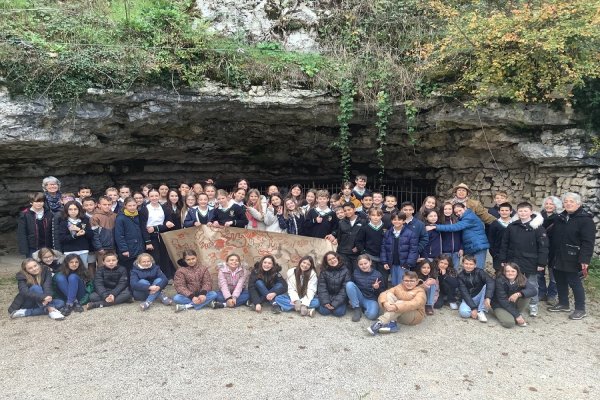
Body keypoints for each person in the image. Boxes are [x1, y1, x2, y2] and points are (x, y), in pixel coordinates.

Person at [547, 193, 595, 320]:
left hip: (574, 256)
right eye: (566, 201)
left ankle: (580, 308)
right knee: (560, 280)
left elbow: (588, 242)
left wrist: (585, 259)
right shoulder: (560, 217)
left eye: (571, 202)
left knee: (575, 282)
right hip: (557, 255)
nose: (568, 203)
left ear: (578, 204)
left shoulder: (585, 220)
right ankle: (563, 303)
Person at [499, 202, 548, 317]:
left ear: (531, 212)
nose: (523, 213)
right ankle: (512, 302)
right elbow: (505, 243)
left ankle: (533, 305)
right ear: (517, 212)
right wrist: (503, 259)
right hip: (514, 259)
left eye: (525, 211)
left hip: (531, 260)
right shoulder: (512, 226)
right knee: (513, 281)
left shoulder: (538, 227)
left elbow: (543, 246)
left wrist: (542, 262)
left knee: (532, 283)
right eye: (520, 211)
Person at [432, 203, 490, 269]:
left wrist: (435, 227)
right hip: (472, 247)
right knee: (470, 269)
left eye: (460, 210)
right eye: (456, 212)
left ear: (465, 208)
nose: (458, 213)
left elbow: (455, 227)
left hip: (478, 246)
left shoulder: (469, 217)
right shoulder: (463, 218)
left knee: (478, 269)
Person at [367, 271, 426, 335]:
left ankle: (380, 322)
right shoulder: (399, 287)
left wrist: (396, 306)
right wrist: (385, 303)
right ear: (402, 281)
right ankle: (392, 323)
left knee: (400, 303)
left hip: (414, 316)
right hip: (398, 313)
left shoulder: (420, 291)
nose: (409, 283)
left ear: (417, 282)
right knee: (388, 294)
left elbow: (415, 304)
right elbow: (384, 293)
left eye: (412, 281)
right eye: (406, 281)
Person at [139, 189, 175, 279]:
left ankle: (167, 277)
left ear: (159, 196)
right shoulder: (144, 210)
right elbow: (144, 227)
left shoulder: (165, 208)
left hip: (163, 235)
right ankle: (155, 277)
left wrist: (156, 228)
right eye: (152, 196)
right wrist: (147, 242)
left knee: (165, 256)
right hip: (151, 237)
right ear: (148, 197)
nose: (154, 198)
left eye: (156, 196)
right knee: (155, 258)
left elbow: (169, 224)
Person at [491, 263, 536, 328]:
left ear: (517, 272)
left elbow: (533, 290)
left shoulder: (522, 278)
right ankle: (505, 314)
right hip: (500, 305)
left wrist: (519, 294)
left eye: (513, 271)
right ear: (504, 272)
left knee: (526, 295)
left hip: (512, 303)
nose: (510, 273)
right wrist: (517, 316)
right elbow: (502, 300)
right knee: (509, 323)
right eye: (507, 271)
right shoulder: (499, 280)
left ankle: (517, 313)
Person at [380, 212, 419, 285]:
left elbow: (413, 250)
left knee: (403, 283)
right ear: (391, 221)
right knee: (394, 283)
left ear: (404, 221)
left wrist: (408, 263)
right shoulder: (387, 233)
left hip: (403, 264)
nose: (397, 221)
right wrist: (384, 261)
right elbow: (383, 248)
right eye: (394, 219)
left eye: (399, 219)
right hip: (392, 263)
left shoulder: (410, 234)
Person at [538, 195, 562, 304]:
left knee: (554, 275)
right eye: (547, 203)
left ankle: (552, 295)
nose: (548, 206)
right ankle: (541, 293)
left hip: (554, 250)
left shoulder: (560, 218)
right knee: (539, 272)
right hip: (541, 249)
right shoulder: (538, 217)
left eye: (551, 204)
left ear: (556, 206)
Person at [346, 254, 384, 322]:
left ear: (370, 262)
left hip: (371, 299)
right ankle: (357, 308)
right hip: (359, 297)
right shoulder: (356, 272)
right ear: (358, 265)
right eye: (361, 264)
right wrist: (350, 299)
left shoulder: (378, 274)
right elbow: (351, 288)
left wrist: (376, 288)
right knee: (349, 284)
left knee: (372, 316)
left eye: (365, 263)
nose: (363, 266)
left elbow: (382, 293)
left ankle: (363, 309)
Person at [114, 197, 149, 272]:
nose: (132, 207)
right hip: (128, 248)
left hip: (139, 246)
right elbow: (119, 235)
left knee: (139, 267)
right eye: (129, 206)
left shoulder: (138, 215)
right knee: (129, 269)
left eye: (134, 205)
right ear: (125, 206)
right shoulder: (121, 218)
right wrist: (124, 249)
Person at [457, 255, 494, 322]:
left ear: (475, 265)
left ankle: (481, 311)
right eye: (466, 263)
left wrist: (488, 297)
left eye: (471, 264)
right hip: (468, 298)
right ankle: (475, 309)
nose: (468, 266)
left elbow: (490, 281)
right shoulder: (460, 276)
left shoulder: (480, 272)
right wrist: (473, 308)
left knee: (487, 285)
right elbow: (464, 293)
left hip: (480, 296)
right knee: (463, 313)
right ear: (462, 264)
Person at [17, 192, 55, 257]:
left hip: (47, 246)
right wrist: (24, 249)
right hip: (32, 247)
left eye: (41, 201)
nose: (39, 204)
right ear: (31, 202)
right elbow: (22, 233)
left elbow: (53, 231)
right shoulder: (25, 214)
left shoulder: (49, 214)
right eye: (36, 202)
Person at [56, 200, 94, 266]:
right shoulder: (63, 222)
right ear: (66, 210)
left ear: (79, 209)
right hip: (69, 251)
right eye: (70, 209)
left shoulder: (85, 220)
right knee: (70, 272)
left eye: (75, 209)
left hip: (83, 250)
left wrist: (80, 230)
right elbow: (62, 238)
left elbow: (90, 234)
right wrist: (75, 235)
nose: (73, 211)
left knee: (83, 271)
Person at [355, 208, 387, 283]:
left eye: (378, 215)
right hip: (370, 257)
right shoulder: (365, 228)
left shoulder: (386, 227)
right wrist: (363, 251)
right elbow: (358, 241)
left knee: (383, 278)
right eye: (373, 215)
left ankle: (383, 293)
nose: (376, 217)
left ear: (382, 216)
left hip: (383, 258)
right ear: (369, 216)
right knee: (371, 278)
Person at [317, 251, 351, 317]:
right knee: (324, 311)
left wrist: (335, 303)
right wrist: (326, 302)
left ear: (337, 258)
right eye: (329, 260)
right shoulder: (324, 271)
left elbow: (344, 289)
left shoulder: (346, 270)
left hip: (340, 297)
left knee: (339, 313)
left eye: (333, 258)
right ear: (326, 262)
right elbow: (322, 287)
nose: (332, 261)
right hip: (328, 296)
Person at [335, 202, 363, 274]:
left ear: (354, 209)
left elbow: (365, 237)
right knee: (345, 273)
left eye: (349, 210)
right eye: (345, 211)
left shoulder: (363, 221)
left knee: (356, 273)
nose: (347, 212)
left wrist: (358, 247)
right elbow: (339, 237)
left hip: (356, 253)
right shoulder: (341, 222)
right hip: (343, 253)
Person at [487, 202, 513, 272]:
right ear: (499, 212)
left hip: (513, 254)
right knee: (500, 274)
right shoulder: (494, 224)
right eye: (502, 210)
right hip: (498, 254)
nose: (504, 212)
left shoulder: (515, 223)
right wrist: (494, 254)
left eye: (506, 210)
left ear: (511, 211)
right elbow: (491, 239)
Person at [438, 202, 463, 271]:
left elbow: (461, 235)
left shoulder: (457, 220)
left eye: (450, 209)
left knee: (455, 270)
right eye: (445, 209)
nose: (447, 211)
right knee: (444, 270)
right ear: (442, 210)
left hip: (456, 251)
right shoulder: (439, 221)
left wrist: (461, 248)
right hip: (445, 252)